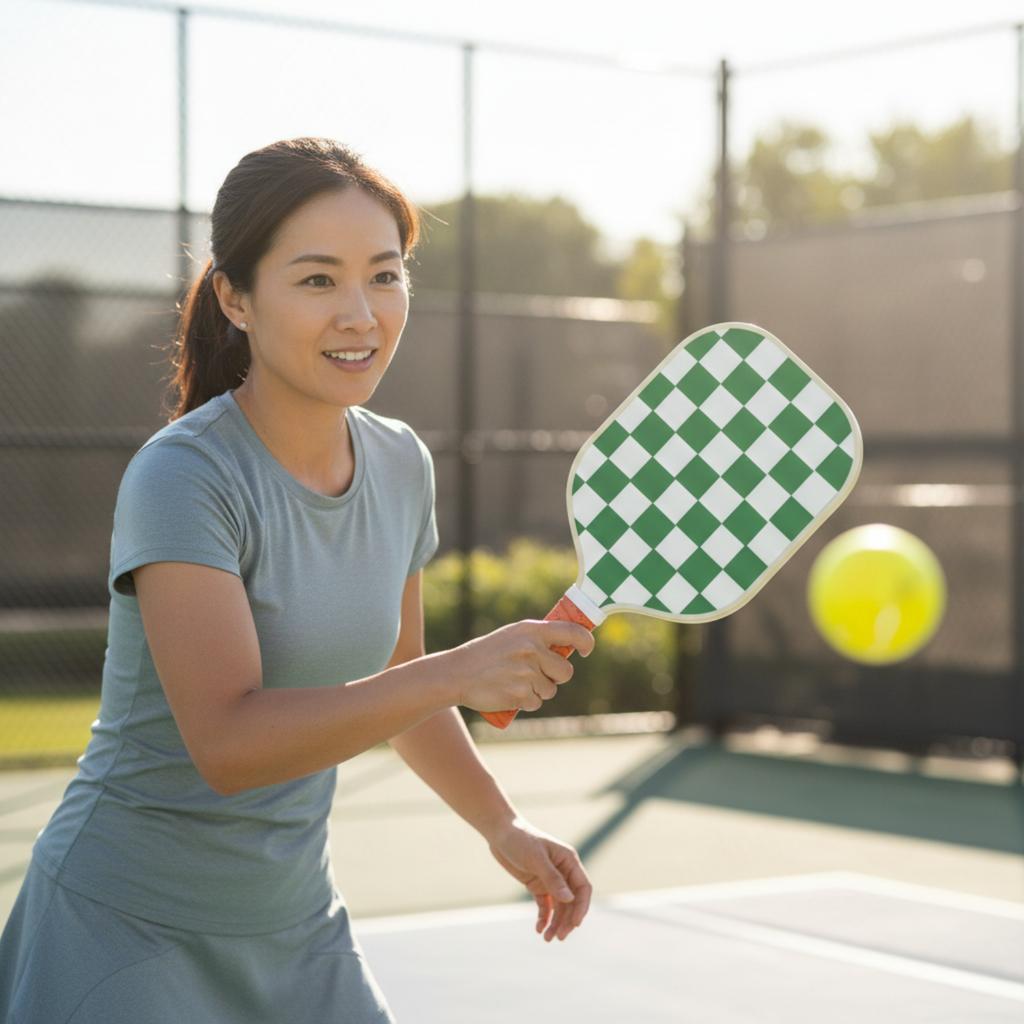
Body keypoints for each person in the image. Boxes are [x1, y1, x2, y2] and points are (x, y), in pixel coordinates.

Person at [0, 137, 595, 1024]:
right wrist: (461, 670)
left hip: (295, 928)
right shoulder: (184, 478)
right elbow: (229, 745)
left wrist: (500, 823)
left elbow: (404, 685)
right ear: (236, 298)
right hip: (123, 928)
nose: (360, 313)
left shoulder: (399, 464)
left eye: (385, 276)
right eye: (318, 280)